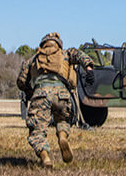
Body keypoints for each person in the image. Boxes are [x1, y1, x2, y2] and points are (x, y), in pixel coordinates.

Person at [16, 32, 94, 168]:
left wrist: (30, 91)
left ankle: (45, 157)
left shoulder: (33, 59)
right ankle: (62, 137)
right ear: (58, 44)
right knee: (63, 119)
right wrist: (89, 70)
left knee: (37, 130)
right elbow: (81, 56)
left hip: (40, 93)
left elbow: (21, 81)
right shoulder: (65, 54)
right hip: (62, 94)